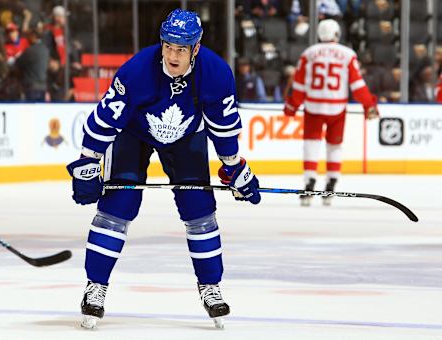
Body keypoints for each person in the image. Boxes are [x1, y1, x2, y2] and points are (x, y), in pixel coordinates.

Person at [66, 8, 261, 330]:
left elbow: (223, 129)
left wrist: (234, 168)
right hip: (133, 134)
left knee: (198, 209)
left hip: (186, 137)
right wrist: (88, 161)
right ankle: (95, 286)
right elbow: (105, 120)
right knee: (118, 205)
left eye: (181, 49)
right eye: (168, 46)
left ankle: (210, 286)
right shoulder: (137, 71)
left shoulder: (216, 73)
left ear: (195, 49)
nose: (172, 54)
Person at [283, 19, 378, 206]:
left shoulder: (308, 54)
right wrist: (369, 105)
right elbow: (357, 85)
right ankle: (332, 183)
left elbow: (300, 85)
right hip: (337, 108)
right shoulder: (348, 54)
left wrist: (292, 106)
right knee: (334, 145)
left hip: (313, 107)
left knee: (311, 143)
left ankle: (309, 183)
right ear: (337, 33)